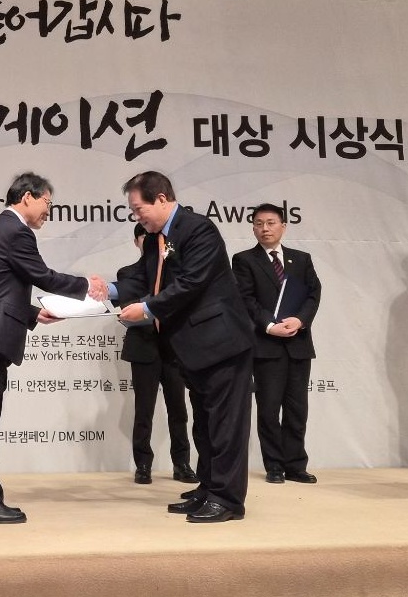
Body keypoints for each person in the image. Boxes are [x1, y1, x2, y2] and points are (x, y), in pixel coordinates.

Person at [0, 172, 108, 524]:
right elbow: (42, 276)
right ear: (27, 197)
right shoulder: (15, 231)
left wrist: (33, 313)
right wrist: (87, 285)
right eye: (47, 202)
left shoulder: (2, 229)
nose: (49, 210)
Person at [116, 171, 253, 523]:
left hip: (221, 343)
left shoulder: (198, 229)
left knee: (225, 424)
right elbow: (141, 278)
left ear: (161, 199)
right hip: (192, 349)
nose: (137, 216)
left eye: (139, 208)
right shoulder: (155, 239)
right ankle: (208, 489)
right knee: (204, 424)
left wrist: (147, 309)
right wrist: (107, 291)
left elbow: (192, 282)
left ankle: (228, 499)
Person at [231, 203, 322, 484]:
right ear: (253, 228)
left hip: (298, 343)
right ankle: (274, 465)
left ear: (283, 226)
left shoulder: (301, 259)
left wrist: (300, 320)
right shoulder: (244, 260)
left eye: (271, 223)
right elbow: (246, 299)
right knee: (269, 409)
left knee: (297, 409)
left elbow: (314, 293)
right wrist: (270, 326)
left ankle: (296, 465)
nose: (265, 229)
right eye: (259, 224)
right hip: (266, 345)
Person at [115, 223, 197, 486]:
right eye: (144, 238)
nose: (150, 243)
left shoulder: (176, 272)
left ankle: (182, 464)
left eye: (155, 238)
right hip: (143, 346)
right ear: (137, 242)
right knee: (144, 410)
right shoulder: (128, 273)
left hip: (173, 347)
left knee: (178, 409)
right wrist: (155, 306)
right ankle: (143, 465)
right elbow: (128, 309)